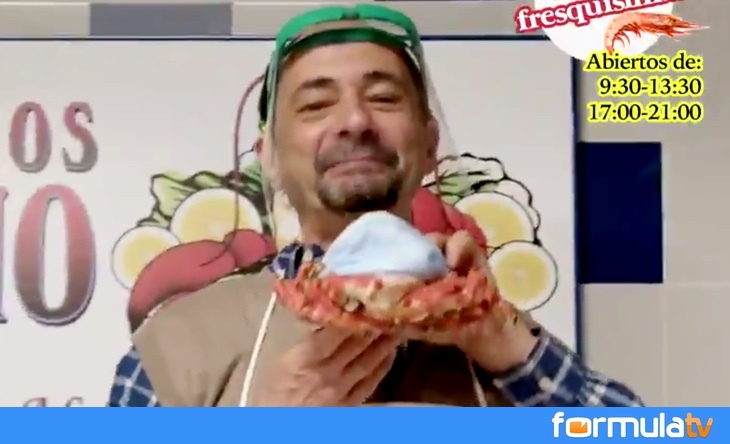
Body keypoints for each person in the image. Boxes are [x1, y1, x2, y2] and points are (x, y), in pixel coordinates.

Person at [107, 4, 644, 407]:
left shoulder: (494, 331)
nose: (355, 121)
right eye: (316, 104)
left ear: (429, 145)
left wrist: (505, 344)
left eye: (384, 97)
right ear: (268, 159)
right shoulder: (176, 345)